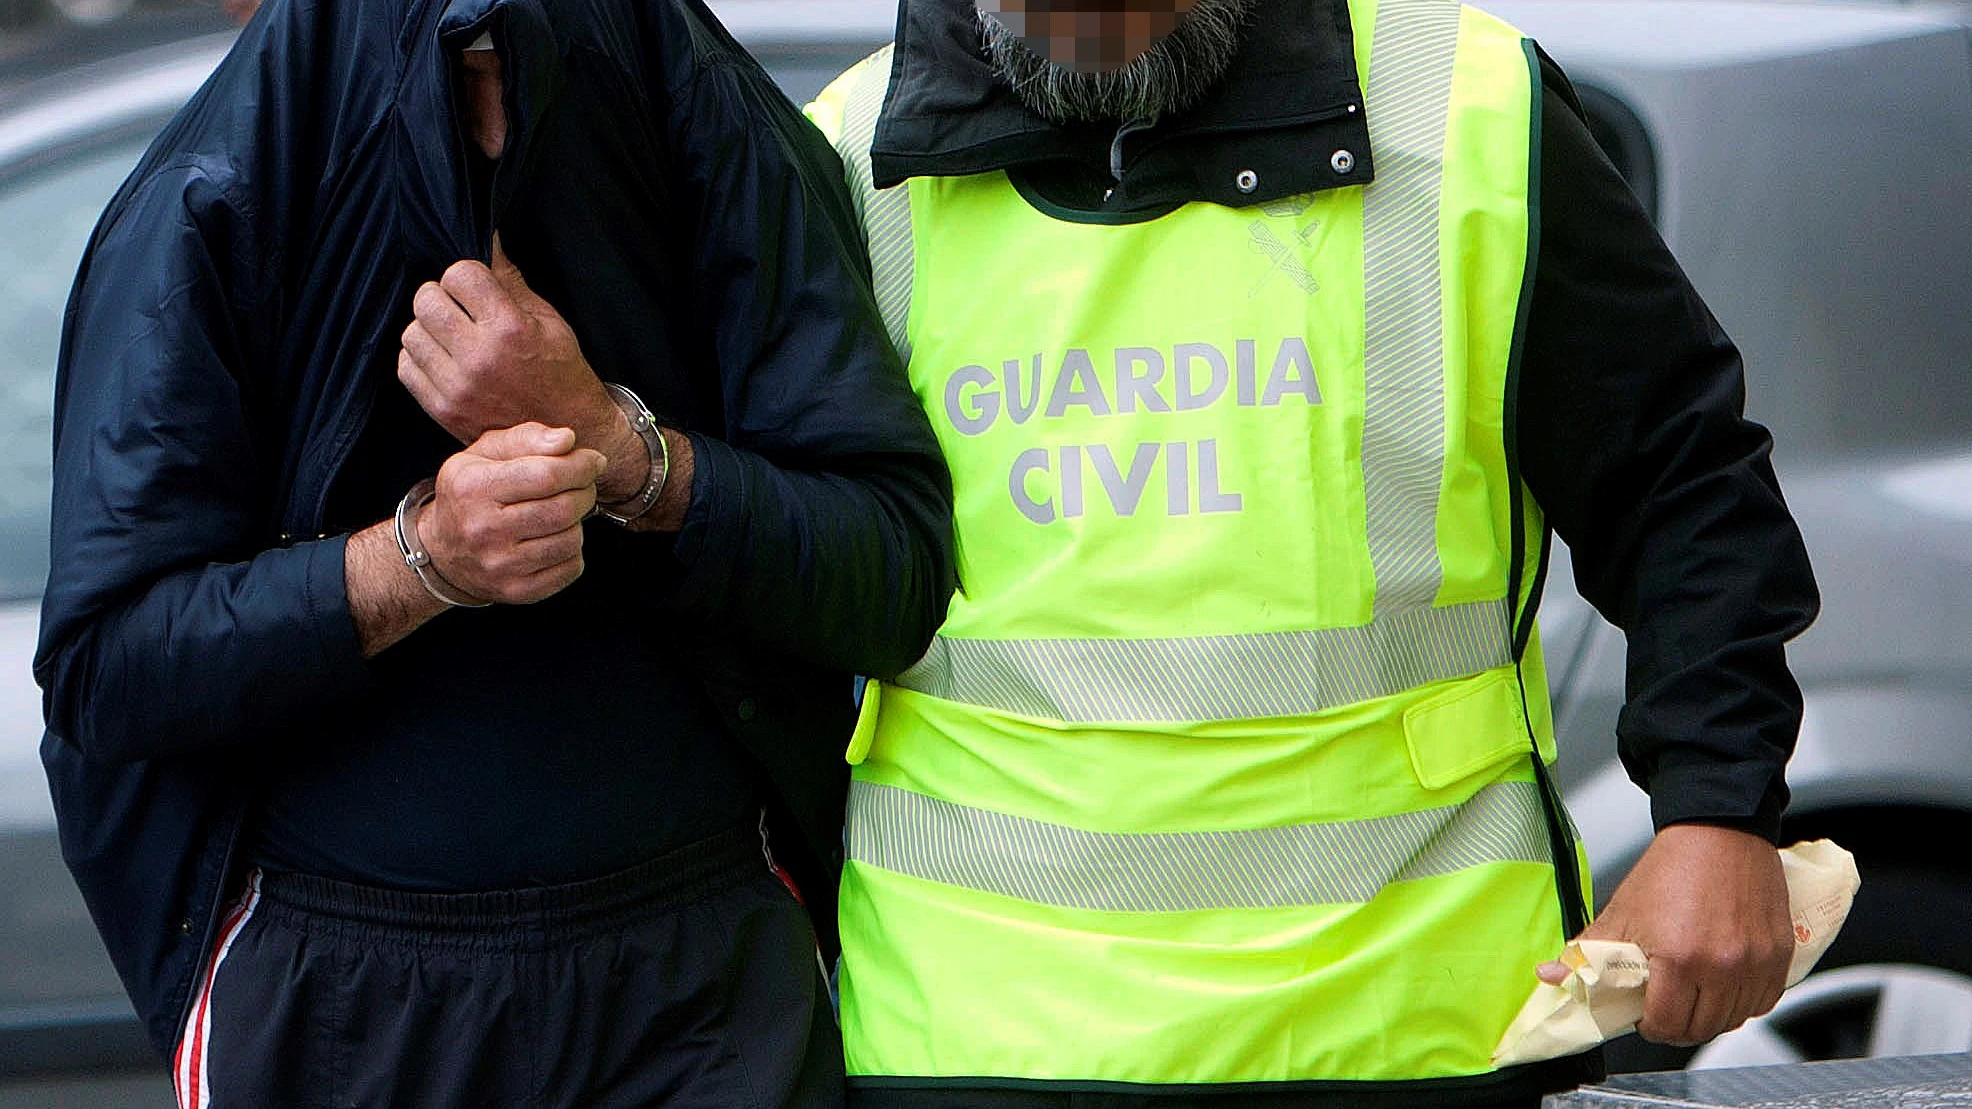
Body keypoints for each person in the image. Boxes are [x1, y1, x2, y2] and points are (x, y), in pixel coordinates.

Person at [803, 0, 1820, 1105]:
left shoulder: (1470, 111)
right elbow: (767, 582)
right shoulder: (848, 156)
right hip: (973, 1040)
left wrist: (1716, 809)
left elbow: (1680, 482)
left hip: (1417, 1029)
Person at [35, 0, 954, 1105]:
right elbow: (108, 669)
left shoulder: (717, 142)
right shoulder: (218, 197)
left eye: (521, 69)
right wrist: (418, 559)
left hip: (701, 980)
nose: (492, 128)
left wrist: (623, 452)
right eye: (456, 77)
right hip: (347, 996)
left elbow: (892, 576)